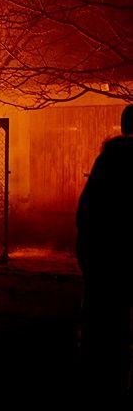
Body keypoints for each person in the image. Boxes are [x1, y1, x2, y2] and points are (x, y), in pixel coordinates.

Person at [76, 104, 132, 393]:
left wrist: (86, 251)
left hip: (106, 252)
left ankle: (96, 375)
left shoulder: (110, 159)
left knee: (101, 317)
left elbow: (87, 209)